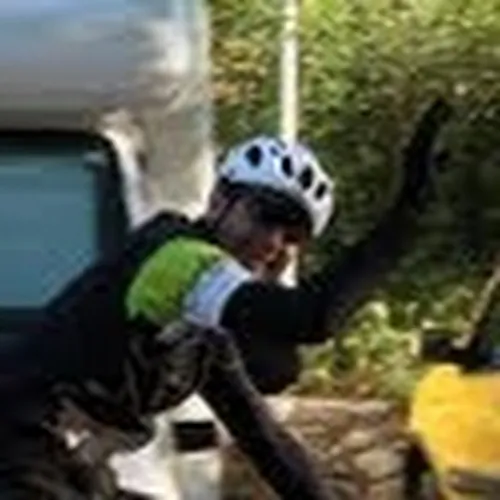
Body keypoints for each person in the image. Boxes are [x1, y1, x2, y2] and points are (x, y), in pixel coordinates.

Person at [0, 98, 451, 499]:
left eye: (294, 236)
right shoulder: (173, 258)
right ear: (218, 200)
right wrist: (410, 211)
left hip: (64, 468)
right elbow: (312, 318)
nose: (274, 242)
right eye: (267, 215)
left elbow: (266, 438)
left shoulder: (206, 334)